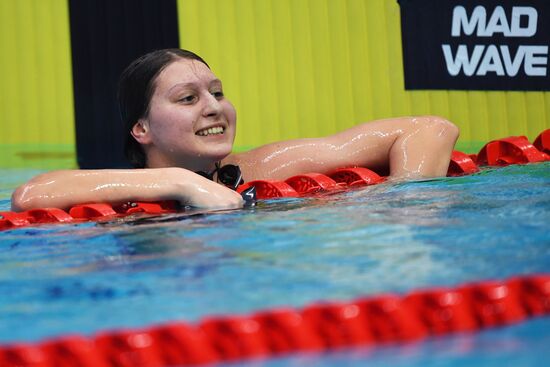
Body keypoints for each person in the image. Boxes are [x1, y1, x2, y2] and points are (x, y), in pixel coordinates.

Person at [11, 48, 459, 212]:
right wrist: (181, 181)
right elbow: (29, 196)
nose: (214, 108)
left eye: (218, 93)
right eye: (188, 99)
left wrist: (405, 205)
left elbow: (430, 130)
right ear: (141, 130)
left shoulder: (261, 167)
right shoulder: (117, 191)